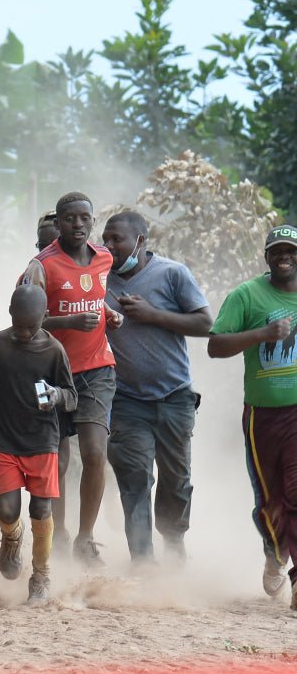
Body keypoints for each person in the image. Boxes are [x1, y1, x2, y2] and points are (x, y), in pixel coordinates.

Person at [101, 211, 212, 564]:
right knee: (134, 479)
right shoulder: (99, 279)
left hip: (174, 396)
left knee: (176, 477)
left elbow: (205, 324)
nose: (109, 246)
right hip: (125, 399)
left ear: (140, 241)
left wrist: (153, 315)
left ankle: (174, 538)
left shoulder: (172, 273)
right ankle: (142, 561)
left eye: (117, 239)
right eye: (105, 239)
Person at [21, 192, 124, 568]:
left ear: (92, 222)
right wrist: (66, 323)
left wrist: (108, 313)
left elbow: (93, 298)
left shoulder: (105, 258)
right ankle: (59, 534)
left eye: (84, 218)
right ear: (58, 224)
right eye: (70, 219)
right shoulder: (41, 266)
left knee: (96, 452)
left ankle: (85, 538)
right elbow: (25, 321)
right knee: (58, 459)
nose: (77, 225)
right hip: (52, 372)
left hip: (97, 369)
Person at [208, 224, 297, 605]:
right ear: (266, 257)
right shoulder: (247, 295)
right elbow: (215, 346)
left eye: (291, 250)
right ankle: (274, 552)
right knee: (270, 500)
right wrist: (262, 335)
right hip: (262, 416)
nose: (284, 256)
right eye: (277, 250)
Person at [0, 284, 77, 605]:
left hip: (43, 440)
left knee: (41, 508)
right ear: (9, 315)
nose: (22, 332)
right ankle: (11, 538)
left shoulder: (54, 351)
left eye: (30, 327)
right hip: (4, 437)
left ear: (44, 319)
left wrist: (57, 395)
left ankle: (41, 576)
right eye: (17, 324)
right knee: (8, 509)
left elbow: (72, 396)